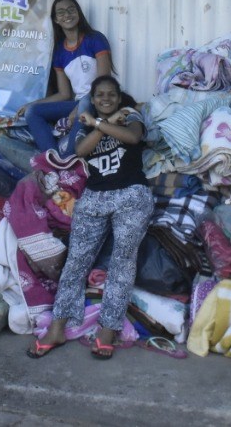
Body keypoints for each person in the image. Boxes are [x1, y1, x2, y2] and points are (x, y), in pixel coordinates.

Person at [28, 76, 151, 360]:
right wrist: (99, 123)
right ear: (93, 100)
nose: (106, 99)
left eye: (111, 95)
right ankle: (57, 327)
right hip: (94, 197)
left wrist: (100, 123)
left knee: (122, 263)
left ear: (119, 98)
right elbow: (81, 151)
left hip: (131, 195)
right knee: (76, 262)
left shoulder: (131, 115)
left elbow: (132, 137)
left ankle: (107, 331)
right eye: (99, 96)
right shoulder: (86, 124)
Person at [16, 0, 113, 153]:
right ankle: (53, 157)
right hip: (78, 103)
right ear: (56, 20)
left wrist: (80, 107)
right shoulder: (60, 52)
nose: (67, 15)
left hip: (100, 100)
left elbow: (104, 83)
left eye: (71, 10)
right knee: (32, 113)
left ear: (78, 13)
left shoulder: (95, 39)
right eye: (61, 13)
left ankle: (68, 161)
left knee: (83, 104)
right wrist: (31, 105)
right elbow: (64, 94)